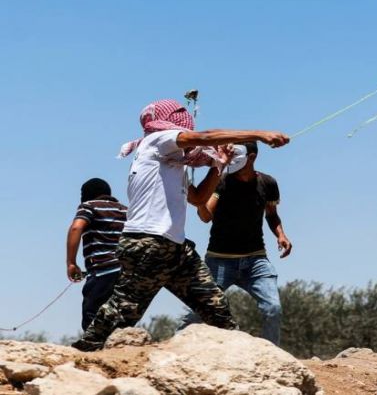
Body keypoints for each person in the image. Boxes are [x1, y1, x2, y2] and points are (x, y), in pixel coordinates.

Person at [71, 99, 289, 351]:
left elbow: (197, 198)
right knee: (123, 309)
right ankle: (84, 352)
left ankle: (239, 359)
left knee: (214, 305)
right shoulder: (157, 141)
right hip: (148, 243)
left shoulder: (172, 163)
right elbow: (205, 136)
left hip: (175, 248)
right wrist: (259, 135)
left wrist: (219, 165)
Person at [184, 141, 291, 344]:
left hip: (256, 261)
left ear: (251, 157)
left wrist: (281, 235)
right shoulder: (221, 181)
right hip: (220, 261)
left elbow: (271, 215)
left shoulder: (268, 183)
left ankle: (272, 355)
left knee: (273, 308)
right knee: (198, 311)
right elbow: (206, 216)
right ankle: (175, 348)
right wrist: (199, 203)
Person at [66, 178, 128, 330]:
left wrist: (71, 263)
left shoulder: (88, 206)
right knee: (120, 317)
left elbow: (76, 228)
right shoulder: (125, 210)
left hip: (102, 271)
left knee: (92, 314)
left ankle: (93, 350)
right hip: (126, 272)